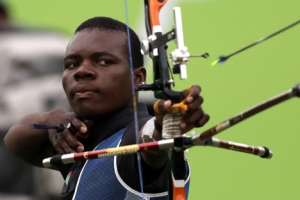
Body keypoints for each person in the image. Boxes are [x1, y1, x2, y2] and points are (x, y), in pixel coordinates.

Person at [4, 16, 210, 199]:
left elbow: (151, 143)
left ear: (137, 78)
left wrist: (167, 126)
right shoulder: (79, 142)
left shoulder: (132, 138)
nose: (82, 71)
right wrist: (51, 119)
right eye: (72, 64)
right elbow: (15, 141)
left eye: (103, 61)